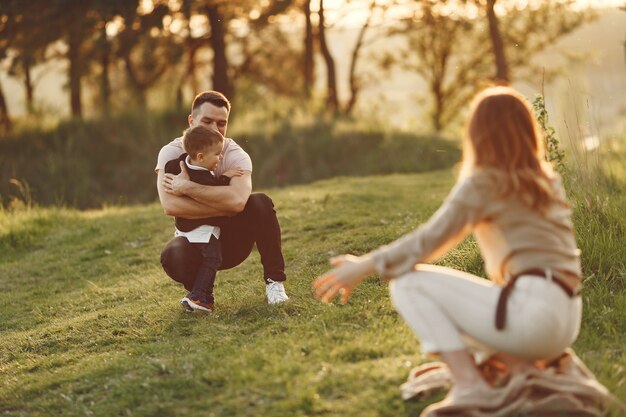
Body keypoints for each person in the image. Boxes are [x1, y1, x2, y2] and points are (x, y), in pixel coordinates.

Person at [313, 86, 584, 410]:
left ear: (478, 134)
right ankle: (516, 366)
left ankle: (471, 386)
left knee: (409, 284)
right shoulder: (546, 180)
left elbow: (428, 241)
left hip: (533, 318)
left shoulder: (485, 181)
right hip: (566, 320)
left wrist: (365, 264)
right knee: (472, 297)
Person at [156, 91, 289, 305]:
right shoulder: (171, 153)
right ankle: (200, 295)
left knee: (260, 202)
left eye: (221, 123)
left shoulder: (235, 155)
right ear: (192, 121)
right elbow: (170, 205)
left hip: (232, 243)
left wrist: (187, 187)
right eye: (207, 121)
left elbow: (237, 201)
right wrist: (225, 208)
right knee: (173, 254)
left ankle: (275, 284)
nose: (214, 129)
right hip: (196, 241)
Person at [165, 124, 243, 312]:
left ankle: (206, 299)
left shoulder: (181, 164)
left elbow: (174, 169)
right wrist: (226, 177)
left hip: (185, 231)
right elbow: (216, 191)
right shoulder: (204, 178)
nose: (220, 158)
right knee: (213, 259)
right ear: (200, 157)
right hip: (203, 231)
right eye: (217, 154)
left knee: (209, 260)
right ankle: (198, 295)